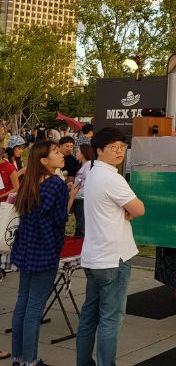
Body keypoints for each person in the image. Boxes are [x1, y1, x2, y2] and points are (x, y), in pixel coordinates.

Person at [76, 127, 145, 366]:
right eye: (113, 147)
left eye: (122, 147)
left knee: (89, 316)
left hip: (94, 257)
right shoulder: (113, 178)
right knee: (110, 319)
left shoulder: (93, 173)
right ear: (99, 150)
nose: (119, 152)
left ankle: (84, 362)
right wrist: (129, 211)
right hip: (114, 257)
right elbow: (139, 208)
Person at [10, 140, 79, 366]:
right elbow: (59, 219)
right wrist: (70, 198)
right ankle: (30, 360)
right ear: (43, 160)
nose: (61, 155)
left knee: (23, 303)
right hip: (45, 249)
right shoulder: (56, 185)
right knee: (34, 307)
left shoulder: (29, 182)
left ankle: (18, 357)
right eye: (56, 152)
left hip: (26, 248)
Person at [72, 143, 94, 238]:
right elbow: (81, 179)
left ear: (84, 153)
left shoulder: (88, 165)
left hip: (83, 197)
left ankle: (80, 239)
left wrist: (76, 184)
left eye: (78, 151)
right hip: (78, 196)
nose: (76, 153)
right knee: (79, 220)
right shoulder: (83, 165)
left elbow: (88, 180)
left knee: (81, 222)